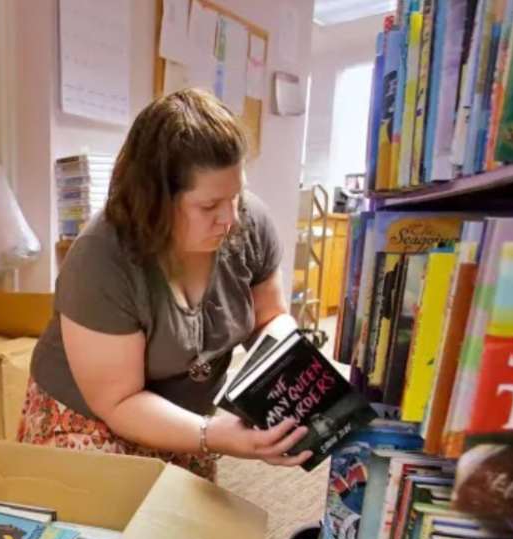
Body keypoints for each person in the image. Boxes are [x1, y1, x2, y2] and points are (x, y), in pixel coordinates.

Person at [20, 89, 312, 482]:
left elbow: (270, 318)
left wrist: (285, 374)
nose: (229, 218)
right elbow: (119, 401)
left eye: (237, 196)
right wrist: (212, 435)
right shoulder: (101, 257)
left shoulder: (248, 221)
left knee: (188, 527)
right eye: (209, 207)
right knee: (118, 528)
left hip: (186, 414)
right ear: (155, 200)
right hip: (91, 416)